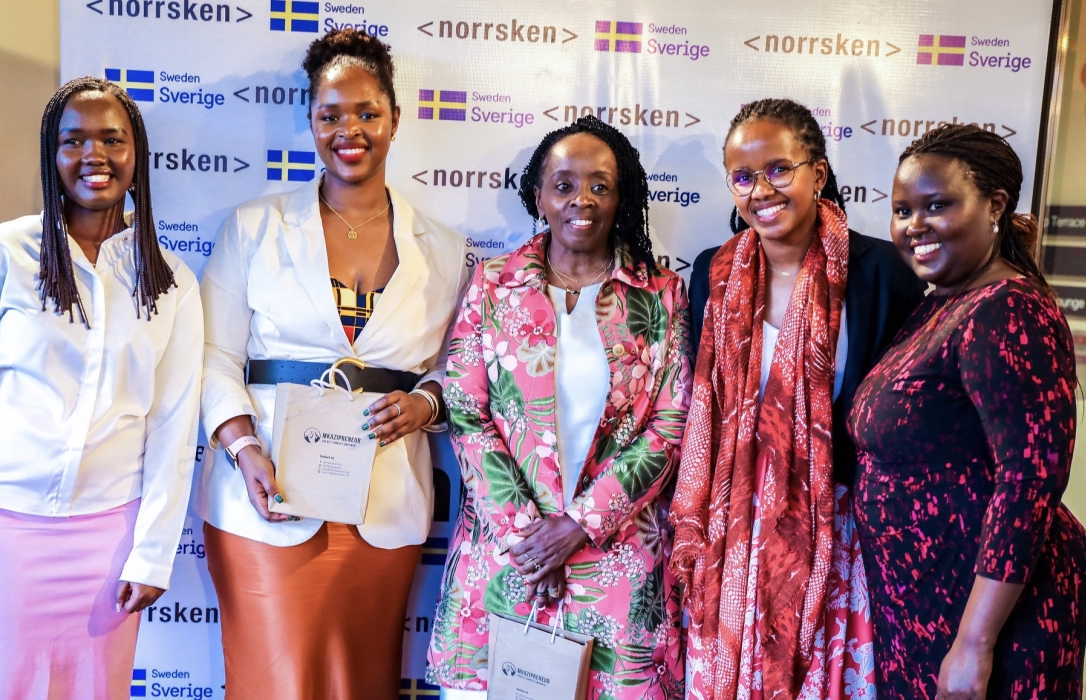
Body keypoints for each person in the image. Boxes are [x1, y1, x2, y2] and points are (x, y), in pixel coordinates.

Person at [0, 76, 203, 699]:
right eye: (74, 140)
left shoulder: (171, 282)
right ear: (51, 155)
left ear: (136, 154)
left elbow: (174, 429)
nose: (94, 154)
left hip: (108, 548)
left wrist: (151, 555)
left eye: (112, 139)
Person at [199, 28, 467, 700]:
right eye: (331, 114)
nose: (350, 129)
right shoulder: (253, 227)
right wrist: (243, 448)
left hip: (384, 506)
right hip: (267, 497)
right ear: (311, 121)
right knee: (274, 682)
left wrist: (426, 404)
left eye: (367, 113)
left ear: (396, 120)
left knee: (359, 683)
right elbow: (213, 354)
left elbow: (458, 369)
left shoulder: (444, 248)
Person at [427, 115, 693, 699]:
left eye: (601, 185)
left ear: (622, 197)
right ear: (539, 194)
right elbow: (467, 411)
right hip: (507, 557)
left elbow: (670, 425)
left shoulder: (661, 294)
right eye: (565, 184)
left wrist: (577, 526)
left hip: (615, 567)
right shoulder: (495, 285)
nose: (583, 200)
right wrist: (530, 536)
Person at [670, 98, 925, 699]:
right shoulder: (713, 273)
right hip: (729, 532)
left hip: (837, 533)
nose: (762, 189)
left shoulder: (880, 271)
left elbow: (900, 418)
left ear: (819, 172)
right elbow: (700, 407)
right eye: (743, 176)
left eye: (779, 169)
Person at [848, 124, 1086, 699]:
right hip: (928, 606)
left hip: (989, 624)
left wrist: (974, 643)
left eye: (937, 206)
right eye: (902, 210)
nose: (914, 226)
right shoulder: (943, 303)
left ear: (996, 206)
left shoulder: (1008, 311)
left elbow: (1028, 483)